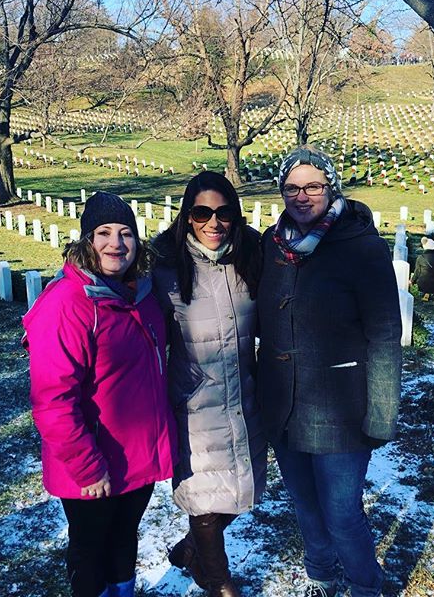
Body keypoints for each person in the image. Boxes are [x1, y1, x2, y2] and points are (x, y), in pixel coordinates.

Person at [256, 146, 402, 597]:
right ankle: (320, 573)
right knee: (304, 505)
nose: (302, 196)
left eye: (313, 186)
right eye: (292, 187)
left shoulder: (362, 248)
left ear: (331, 187)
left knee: (342, 513)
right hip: (284, 405)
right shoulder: (270, 243)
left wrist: (382, 413)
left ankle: (364, 586)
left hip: (341, 408)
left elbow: (384, 335)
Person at [22, 191, 177, 597]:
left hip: (136, 455)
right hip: (90, 464)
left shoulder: (139, 296)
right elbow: (53, 401)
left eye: (126, 233)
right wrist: (88, 467)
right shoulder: (67, 304)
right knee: (91, 551)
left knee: (125, 540)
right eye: (104, 232)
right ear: (87, 240)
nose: (116, 243)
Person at [151, 171, 266, 597]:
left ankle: (189, 550)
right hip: (194, 402)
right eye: (201, 213)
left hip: (242, 394)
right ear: (187, 216)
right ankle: (216, 579)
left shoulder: (251, 257)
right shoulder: (165, 267)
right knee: (203, 496)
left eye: (223, 213)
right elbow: (123, 310)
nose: (213, 222)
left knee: (239, 488)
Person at [411, 236, 434, 301]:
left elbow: (417, 272)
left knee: (425, 280)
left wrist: (412, 281)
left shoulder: (420, 258)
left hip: (423, 284)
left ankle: (426, 293)